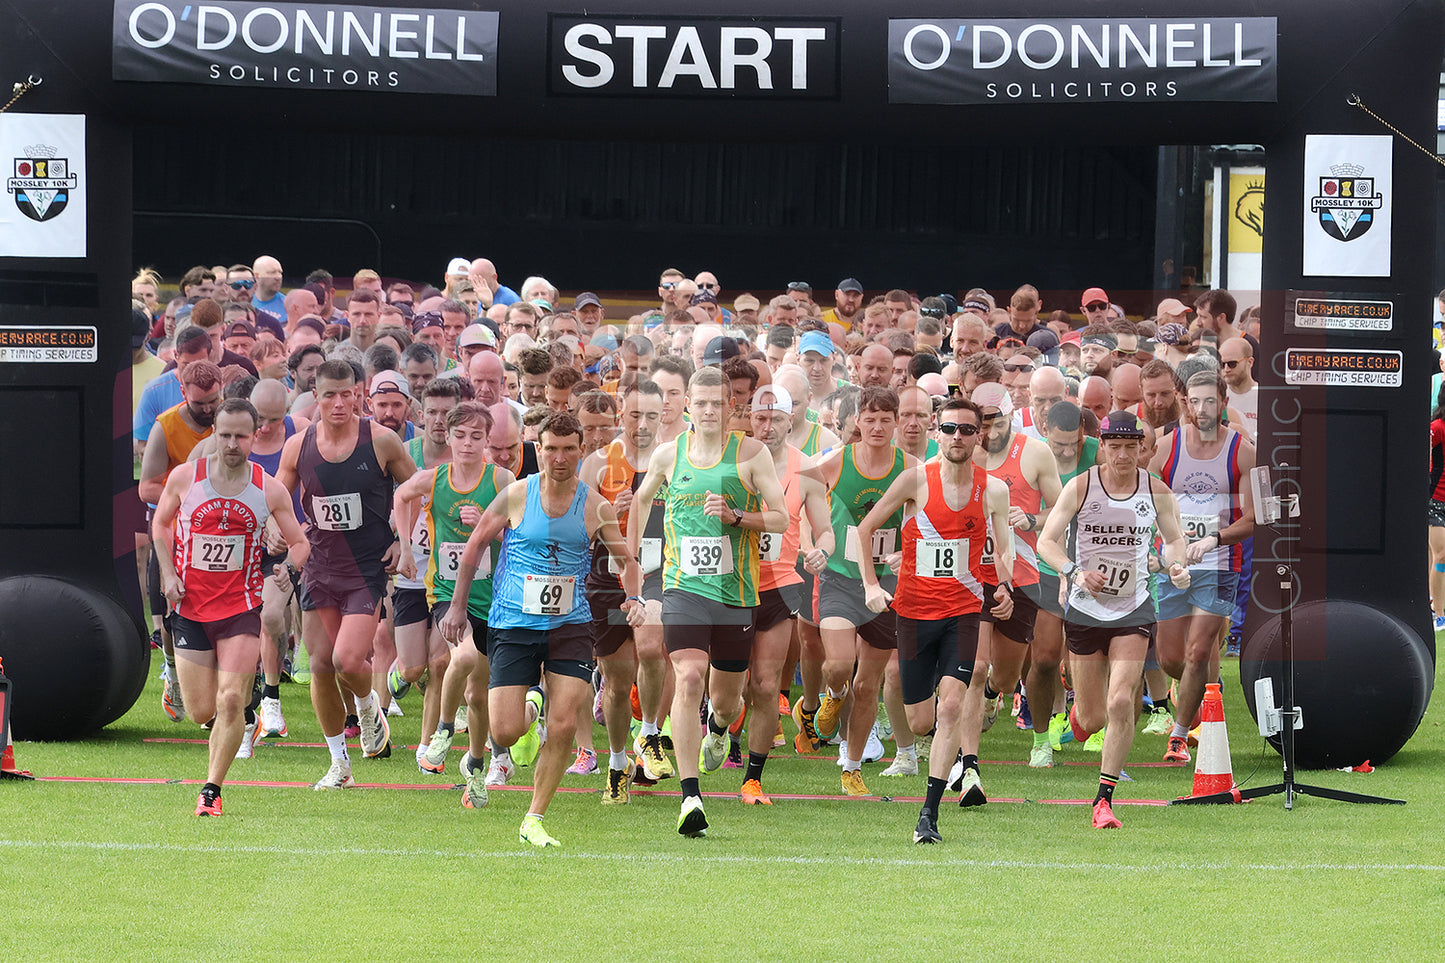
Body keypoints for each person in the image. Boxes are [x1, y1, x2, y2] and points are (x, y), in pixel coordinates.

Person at [440, 412, 644, 847]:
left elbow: (625, 559)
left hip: (571, 624)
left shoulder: (595, 506)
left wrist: (634, 597)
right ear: (539, 450)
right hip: (513, 623)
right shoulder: (517, 495)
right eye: (550, 448)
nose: (559, 457)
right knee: (506, 732)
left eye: (569, 448)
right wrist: (457, 607)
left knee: (567, 721)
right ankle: (531, 704)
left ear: (581, 449)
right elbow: (476, 544)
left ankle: (534, 816)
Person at [628, 366, 788, 836]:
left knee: (726, 701)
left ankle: (718, 729)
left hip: (736, 594)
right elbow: (639, 503)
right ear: (687, 407)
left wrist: (739, 516)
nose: (709, 411)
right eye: (700, 403)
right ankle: (690, 796)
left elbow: (779, 518)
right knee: (689, 674)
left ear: (729, 406)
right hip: (682, 589)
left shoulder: (751, 453)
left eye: (717, 403)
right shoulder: (667, 454)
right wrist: (631, 560)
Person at [855, 398, 1013, 840]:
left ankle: (929, 815)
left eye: (967, 429)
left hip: (963, 611)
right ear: (936, 432)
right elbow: (865, 530)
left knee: (952, 707)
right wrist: (871, 585)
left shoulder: (992, 490)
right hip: (913, 612)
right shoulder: (915, 480)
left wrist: (1005, 589)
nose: (958, 437)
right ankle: (932, 770)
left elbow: (1002, 550)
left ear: (979, 435)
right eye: (950, 429)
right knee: (922, 719)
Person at [151, 398, 309, 816]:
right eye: (225, 435)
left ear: (255, 436)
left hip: (240, 610)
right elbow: (160, 523)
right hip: (190, 608)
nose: (233, 444)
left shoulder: (268, 488)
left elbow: (300, 542)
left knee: (229, 702)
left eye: (241, 435)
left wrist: (287, 570)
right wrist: (168, 573)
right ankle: (239, 716)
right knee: (202, 710)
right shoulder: (186, 477)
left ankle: (210, 790)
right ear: (214, 435)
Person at [1037, 411, 1192, 829]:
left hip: (1134, 609)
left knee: (1122, 700)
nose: (1123, 455)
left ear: (1141, 447)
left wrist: (1176, 565)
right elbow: (1045, 541)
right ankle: (1075, 718)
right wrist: (1073, 571)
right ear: (1102, 446)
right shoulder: (1081, 487)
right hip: (1086, 611)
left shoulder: (1156, 491)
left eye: (1131, 446)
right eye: (1115, 446)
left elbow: (1175, 539)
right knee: (1092, 718)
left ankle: (1103, 801)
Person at [275, 360, 418, 789]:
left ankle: (368, 702)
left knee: (347, 660)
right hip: (320, 566)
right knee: (320, 665)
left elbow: (415, 492)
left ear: (359, 394)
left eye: (347, 394)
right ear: (314, 397)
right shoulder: (298, 446)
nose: (339, 403)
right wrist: (285, 534)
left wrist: (400, 538)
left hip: (366, 568)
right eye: (328, 395)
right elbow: (277, 497)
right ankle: (339, 763)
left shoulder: (381, 440)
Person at [396, 402, 512, 807]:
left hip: (494, 598)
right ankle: (444, 731)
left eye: (476, 437)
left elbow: (519, 536)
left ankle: (477, 770)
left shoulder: (502, 479)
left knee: (479, 697)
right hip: (447, 594)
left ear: (488, 441)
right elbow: (401, 494)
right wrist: (407, 545)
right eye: (460, 435)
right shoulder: (436, 478)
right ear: (447, 436)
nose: (467, 444)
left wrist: (487, 523)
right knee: (460, 658)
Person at [810, 386, 919, 796]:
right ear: (857, 421)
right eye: (869, 419)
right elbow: (803, 500)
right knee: (838, 665)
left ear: (897, 424)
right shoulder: (835, 462)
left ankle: (852, 768)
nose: (876, 427)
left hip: (888, 585)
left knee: (869, 683)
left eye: (885, 419)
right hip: (840, 577)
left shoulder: (910, 468)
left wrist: (905, 555)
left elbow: (921, 521)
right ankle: (832, 694)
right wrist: (815, 543)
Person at [1150, 371, 1255, 763]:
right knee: (1171, 659)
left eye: (1210, 401)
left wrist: (1215, 538)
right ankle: (1204, 690)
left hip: (1221, 563)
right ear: (1185, 403)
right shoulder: (1165, 449)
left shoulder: (1243, 451)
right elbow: (1146, 505)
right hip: (1174, 565)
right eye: (1195, 401)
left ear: (1223, 403)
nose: (1202, 409)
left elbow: (1256, 516)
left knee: (1197, 652)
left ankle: (1178, 736)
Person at [579, 380, 674, 800]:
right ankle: (618, 761)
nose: (643, 423)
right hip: (606, 574)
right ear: (622, 413)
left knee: (652, 648)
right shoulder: (598, 464)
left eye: (652, 415)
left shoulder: (676, 459)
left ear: (665, 415)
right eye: (636, 414)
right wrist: (607, 515)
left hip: (657, 569)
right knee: (616, 684)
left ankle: (651, 734)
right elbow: (577, 528)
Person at [743, 384, 833, 804]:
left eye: (775, 418)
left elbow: (826, 528)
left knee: (764, 684)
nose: (767, 427)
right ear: (749, 419)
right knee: (729, 693)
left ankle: (753, 778)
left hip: (779, 586)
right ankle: (723, 723)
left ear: (790, 421)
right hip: (727, 586)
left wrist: (821, 551)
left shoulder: (806, 468)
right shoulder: (729, 462)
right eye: (759, 418)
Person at [389, 378, 464, 772]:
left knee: (439, 663)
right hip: (410, 574)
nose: (437, 420)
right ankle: (396, 676)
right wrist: (401, 543)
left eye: (446, 413)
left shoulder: (472, 459)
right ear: (420, 414)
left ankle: (427, 744)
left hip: (449, 581)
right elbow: (394, 502)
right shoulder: (406, 455)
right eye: (431, 412)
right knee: (413, 668)